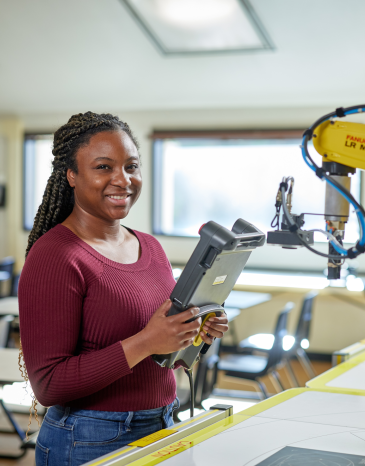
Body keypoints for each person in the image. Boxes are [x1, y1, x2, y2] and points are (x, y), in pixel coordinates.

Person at [18, 112, 229, 466]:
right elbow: (49, 384)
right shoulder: (55, 256)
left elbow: (162, 348)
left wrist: (194, 331)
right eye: (104, 167)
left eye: (132, 166)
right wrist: (146, 341)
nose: (123, 180)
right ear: (72, 175)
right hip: (89, 438)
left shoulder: (150, 246)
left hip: (162, 421)